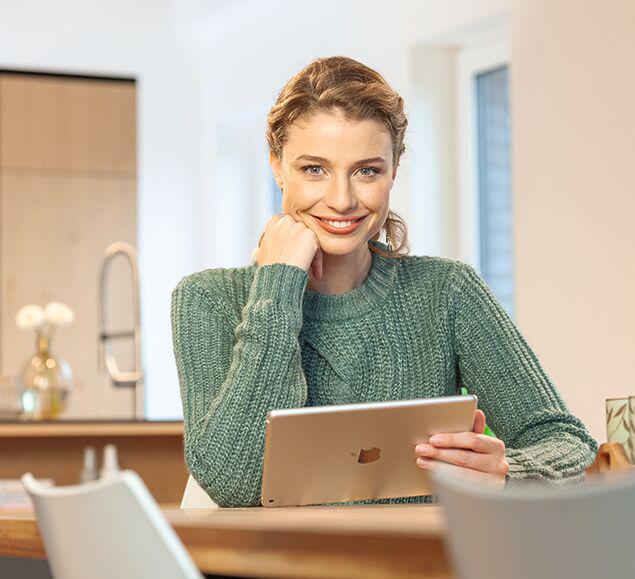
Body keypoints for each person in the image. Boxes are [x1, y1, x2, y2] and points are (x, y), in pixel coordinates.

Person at [170, 56, 598, 508]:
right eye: (314, 169)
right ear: (277, 165)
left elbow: (567, 445)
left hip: (422, 570)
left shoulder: (447, 291)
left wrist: (508, 473)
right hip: (281, 574)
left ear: (394, 168)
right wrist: (278, 287)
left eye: (367, 170)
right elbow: (234, 483)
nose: (341, 200)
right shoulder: (208, 300)